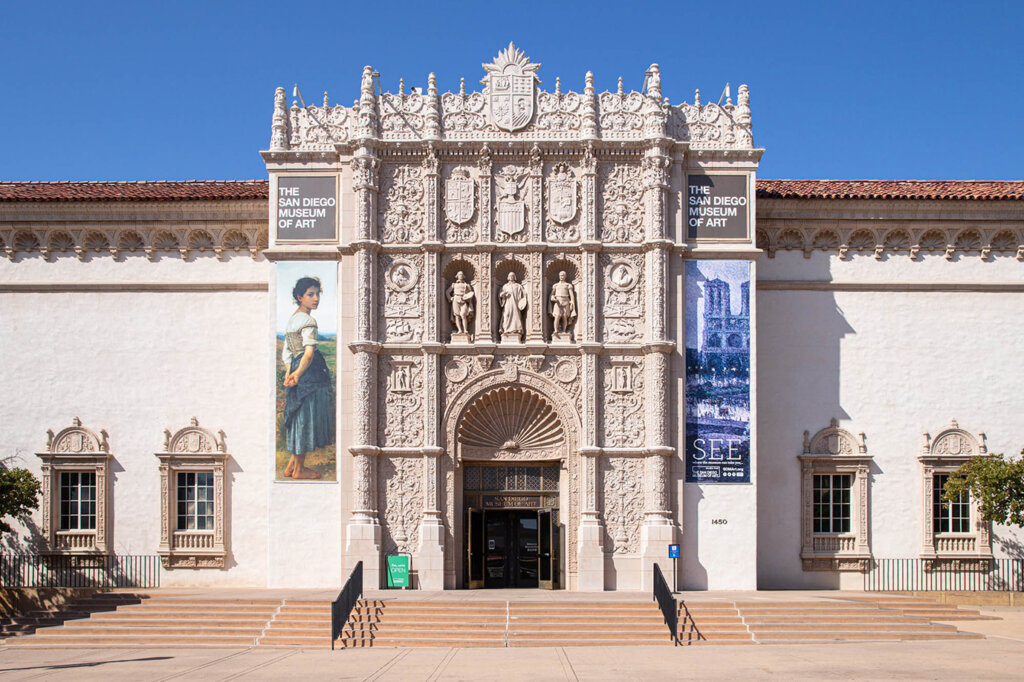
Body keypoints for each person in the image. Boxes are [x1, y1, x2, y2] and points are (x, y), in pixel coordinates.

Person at [281, 276, 334, 479]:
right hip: (309, 372)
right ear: (299, 297)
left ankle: (291, 466)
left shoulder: (292, 320)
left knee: (298, 415)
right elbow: (309, 353)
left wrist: (290, 371)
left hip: (297, 367)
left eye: (317, 294)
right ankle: (299, 469)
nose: (316, 298)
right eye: (311, 294)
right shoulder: (308, 320)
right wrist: (298, 373)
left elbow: (288, 352)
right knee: (305, 416)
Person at [499, 272, 528, 341]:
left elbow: (524, 295)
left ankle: (516, 330)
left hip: (515, 304)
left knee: (516, 316)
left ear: (514, 277)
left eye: (512, 276)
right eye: (510, 276)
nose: (511, 277)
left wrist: (522, 302)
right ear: (508, 277)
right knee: (506, 315)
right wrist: (502, 294)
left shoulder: (518, 286)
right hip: (507, 304)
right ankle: (506, 330)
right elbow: (500, 295)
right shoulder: (505, 286)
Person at [446, 270, 475, 336]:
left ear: (464, 276)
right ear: (457, 276)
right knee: (457, 316)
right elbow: (447, 292)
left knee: (463, 315)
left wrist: (468, 297)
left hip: (463, 299)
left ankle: (465, 330)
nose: (461, 276)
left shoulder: (466, 285)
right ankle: (460, 330)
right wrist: (450, 298)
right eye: (459, 274)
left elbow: (471, 293)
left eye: (462, 274)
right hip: (456, 299)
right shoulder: (454, 285)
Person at [549, 270, 576, 335]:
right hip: (557, 301)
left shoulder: (568, 285)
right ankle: (556, 330)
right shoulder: (555, 285)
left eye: (563, 275)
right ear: (559, 276)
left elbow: (571, 295)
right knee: (557, 316)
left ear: (565, 276)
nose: (562, 276)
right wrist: (553, 298)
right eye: (561, 275)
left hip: (566, 301)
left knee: (564, 316)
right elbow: (552, 294)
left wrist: (572, 302)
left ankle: (564, 330)